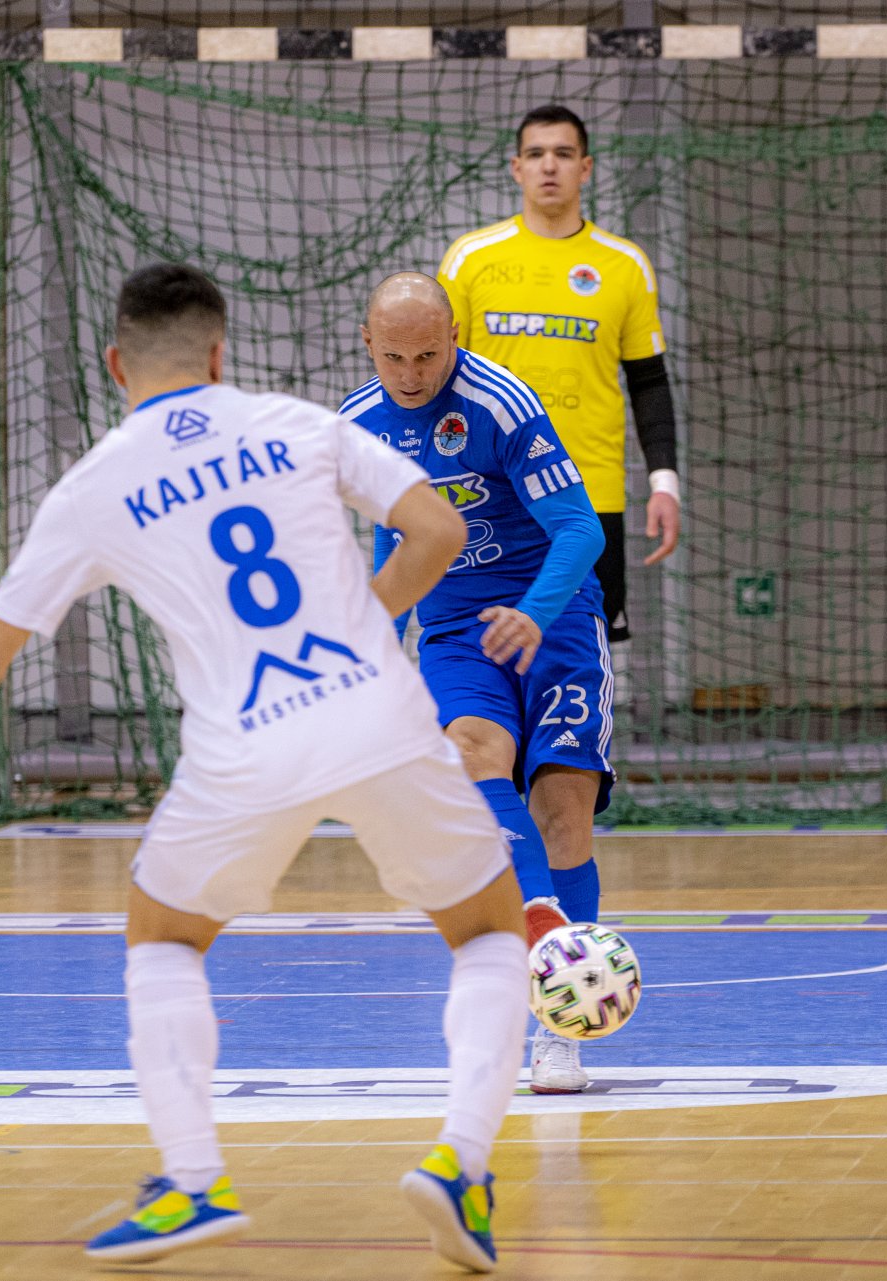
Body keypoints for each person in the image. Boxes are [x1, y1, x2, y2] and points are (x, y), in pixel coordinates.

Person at [0, 262, 526, 1273]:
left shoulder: (94, 485)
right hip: (378, 714)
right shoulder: (299, 423)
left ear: (117, 364)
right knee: (489, 931)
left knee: (163, 938)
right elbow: (441, 530)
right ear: (217, 353)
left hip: (242, 747)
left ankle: (195, 1184)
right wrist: (364, 624)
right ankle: (460, 1163)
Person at [344, 271, 609, 1096]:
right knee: (470, 752)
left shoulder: (502, 404)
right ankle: (541, 925)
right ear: (367, 344)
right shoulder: (356, 426)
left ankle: (562, 1027)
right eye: (394, 358)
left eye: (428, 355)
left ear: (455, 337)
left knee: (562, 811)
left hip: (552, 614)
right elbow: (395, 544)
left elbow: (581, 530)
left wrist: (533, 612)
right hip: (457, 628)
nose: (411, 374)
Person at [438, 103, 682, 658]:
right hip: (493, 495)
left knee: (578, 661)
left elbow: (649, 382)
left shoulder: (625, 264)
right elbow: (440, 380)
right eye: (536, 154)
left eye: (564, 154)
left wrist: (664, 483)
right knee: (487, 654)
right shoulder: (469, 259)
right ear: (516, 168)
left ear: (586, 168)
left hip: (589, 500)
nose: (549, 165)